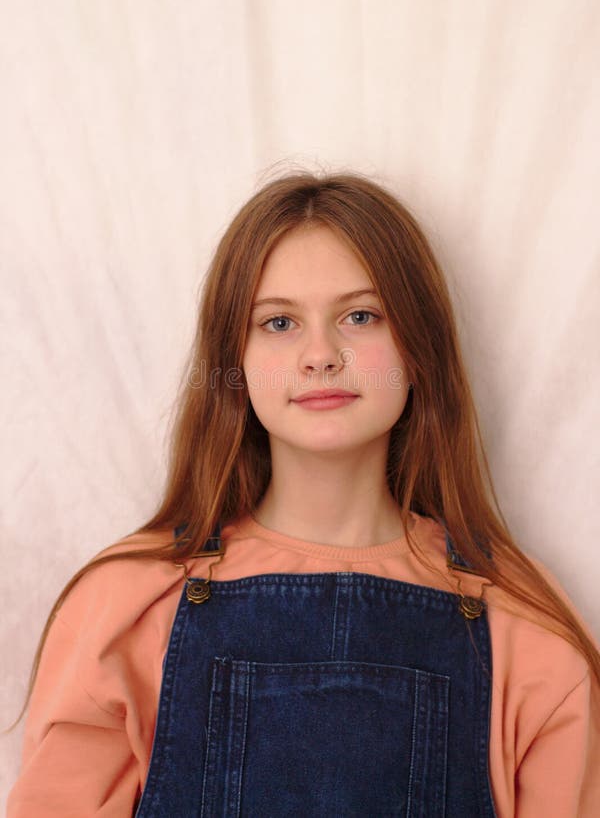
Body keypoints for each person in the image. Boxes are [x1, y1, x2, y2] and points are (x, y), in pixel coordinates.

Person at [7, 171, 600, 817]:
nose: (321, 354)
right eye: (280, 322)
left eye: (361, 315)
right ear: (233, 358)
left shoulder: (520, 619)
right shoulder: (124, 606)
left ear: (419, 348)